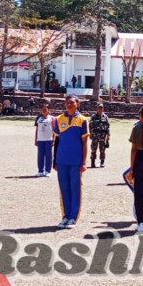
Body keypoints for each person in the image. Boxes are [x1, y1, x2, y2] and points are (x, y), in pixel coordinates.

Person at [53, 95, 89, 229]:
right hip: (62, 160)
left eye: (72, 103)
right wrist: (54, 161)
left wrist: (84, 162)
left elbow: (85, 143)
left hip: (76, 161)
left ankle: (73, 217)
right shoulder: (58, 119)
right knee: (64, 189)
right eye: (67, 103)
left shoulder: (82, 120)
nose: (69, 105)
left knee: (75, 189)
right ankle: (65, 216)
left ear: (77, 104)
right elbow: (56, 142)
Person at [34, 103, 55, 177]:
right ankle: (40, 170)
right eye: (42, 109)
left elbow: (54, 130)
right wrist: (36, 139)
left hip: (49, 139)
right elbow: (37, 129)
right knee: (40, 155)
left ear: (48, 110)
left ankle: (47, 171)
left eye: (45, 109)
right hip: (40, 140)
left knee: (48, 155)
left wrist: (53, 140)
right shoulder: (38, 118)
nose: (44, 110)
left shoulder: (52, 118)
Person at [89, 103, 111, 168]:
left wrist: (108, 135)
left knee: (102, 149)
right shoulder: (93, 117)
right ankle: (92, 163)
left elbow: (108, 126)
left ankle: (102, 162)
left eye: (101, 108)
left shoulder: (105, 117)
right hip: (95, 135)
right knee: (93, 149)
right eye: (99, 108)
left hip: (103, 135)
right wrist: (90, 133)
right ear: (97, 109)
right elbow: (90, 126)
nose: (100, 109)